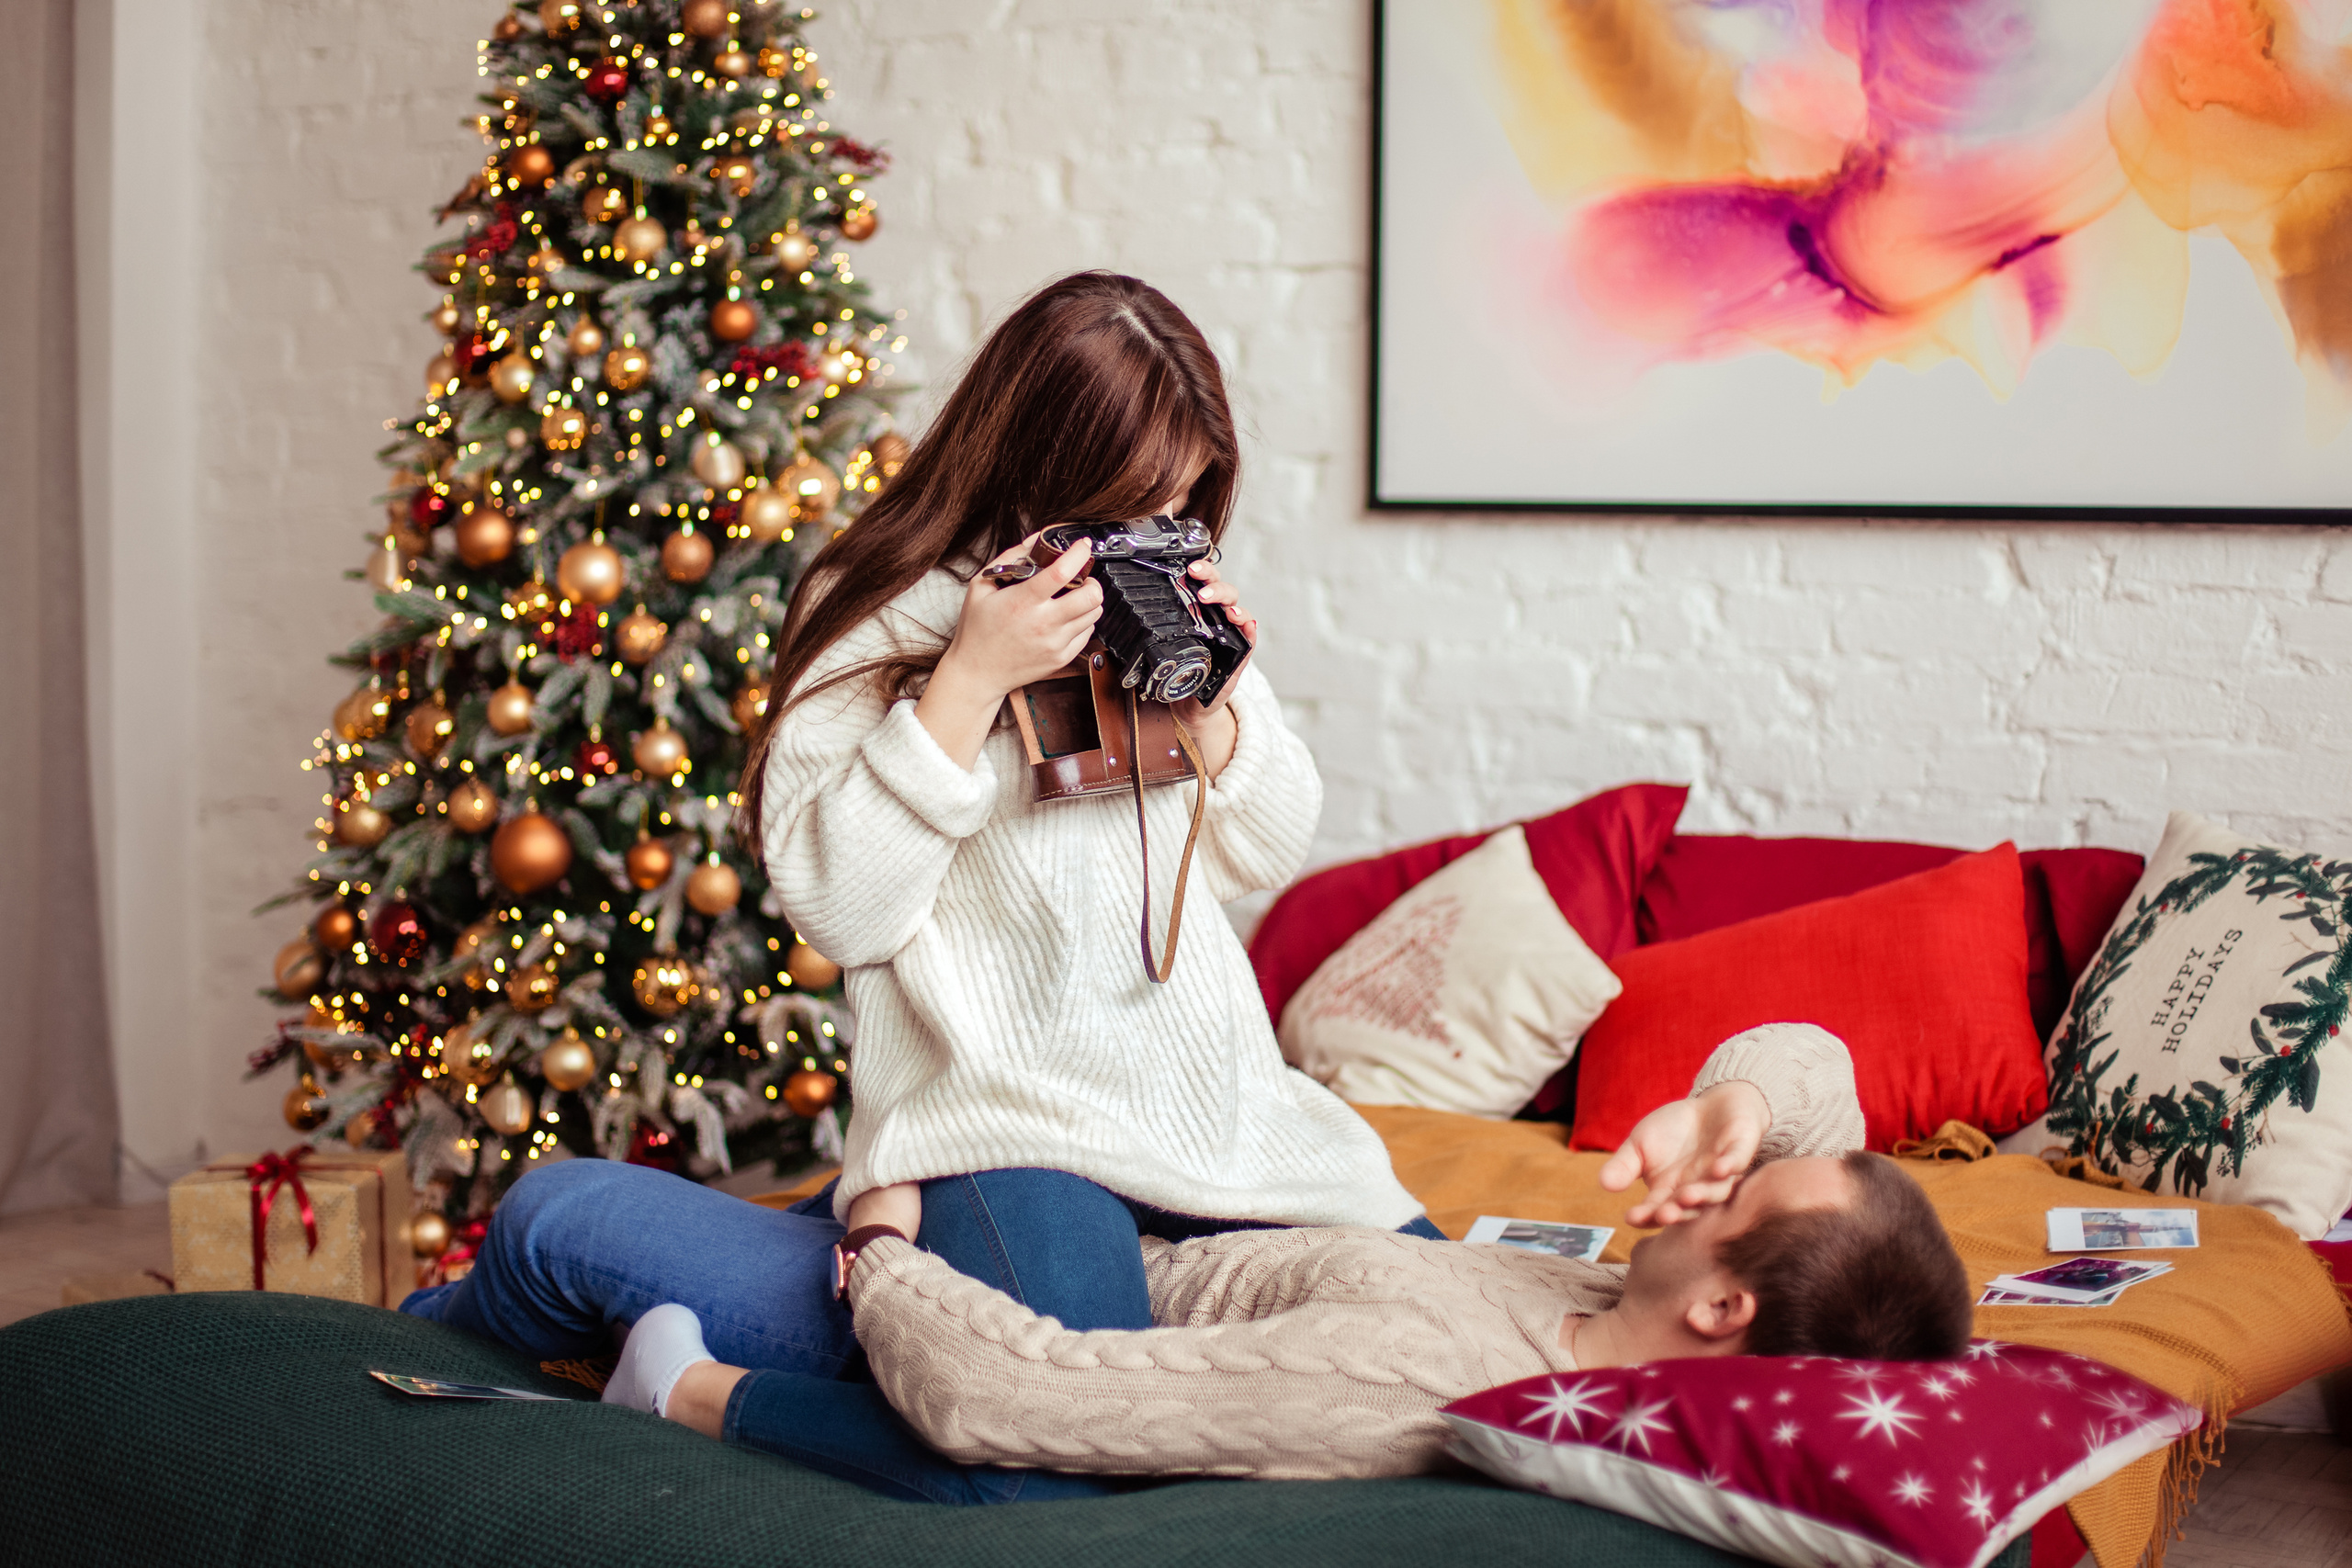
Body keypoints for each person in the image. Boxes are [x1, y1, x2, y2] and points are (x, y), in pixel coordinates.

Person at [734, 268, 1436, 1331]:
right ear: (1032, 460)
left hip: (1213, 1106)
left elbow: (1264, 850)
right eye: (1127, 504)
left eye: (1178, 502)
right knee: (1072, 1392)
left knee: (1439, 1334)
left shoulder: (1151, 581)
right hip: (1003, 1118)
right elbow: (844, 913)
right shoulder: (875, 606)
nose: (1154, 528)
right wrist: (970, 678)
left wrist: (1216, 708)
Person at [577, 1022, 1971, 1497]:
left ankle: (680, 1388)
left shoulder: (1423, 1380)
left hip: (1064, 1268)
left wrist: (879, 1242)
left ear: (1725, 1304)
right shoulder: (1624, 1317)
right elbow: (1819, 1072)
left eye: (1739, 1194)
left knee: (559, 1222)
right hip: (1192, 1208)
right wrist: (1736, 1113)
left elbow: (1022, 1392)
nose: (1708, 1185)